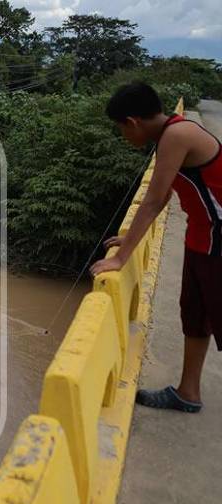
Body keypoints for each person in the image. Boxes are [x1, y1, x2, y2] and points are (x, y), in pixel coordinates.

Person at [90, 82, 222, 413]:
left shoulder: (176, 135)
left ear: (132, 122)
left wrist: (120, 258)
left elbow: (152, 199)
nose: (124, 136)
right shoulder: (171, 133)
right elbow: (163, 196)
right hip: (201, 237)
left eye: (121, 128)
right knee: (195, 316)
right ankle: (188, 393)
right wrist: (129, 239)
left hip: (217, 240)